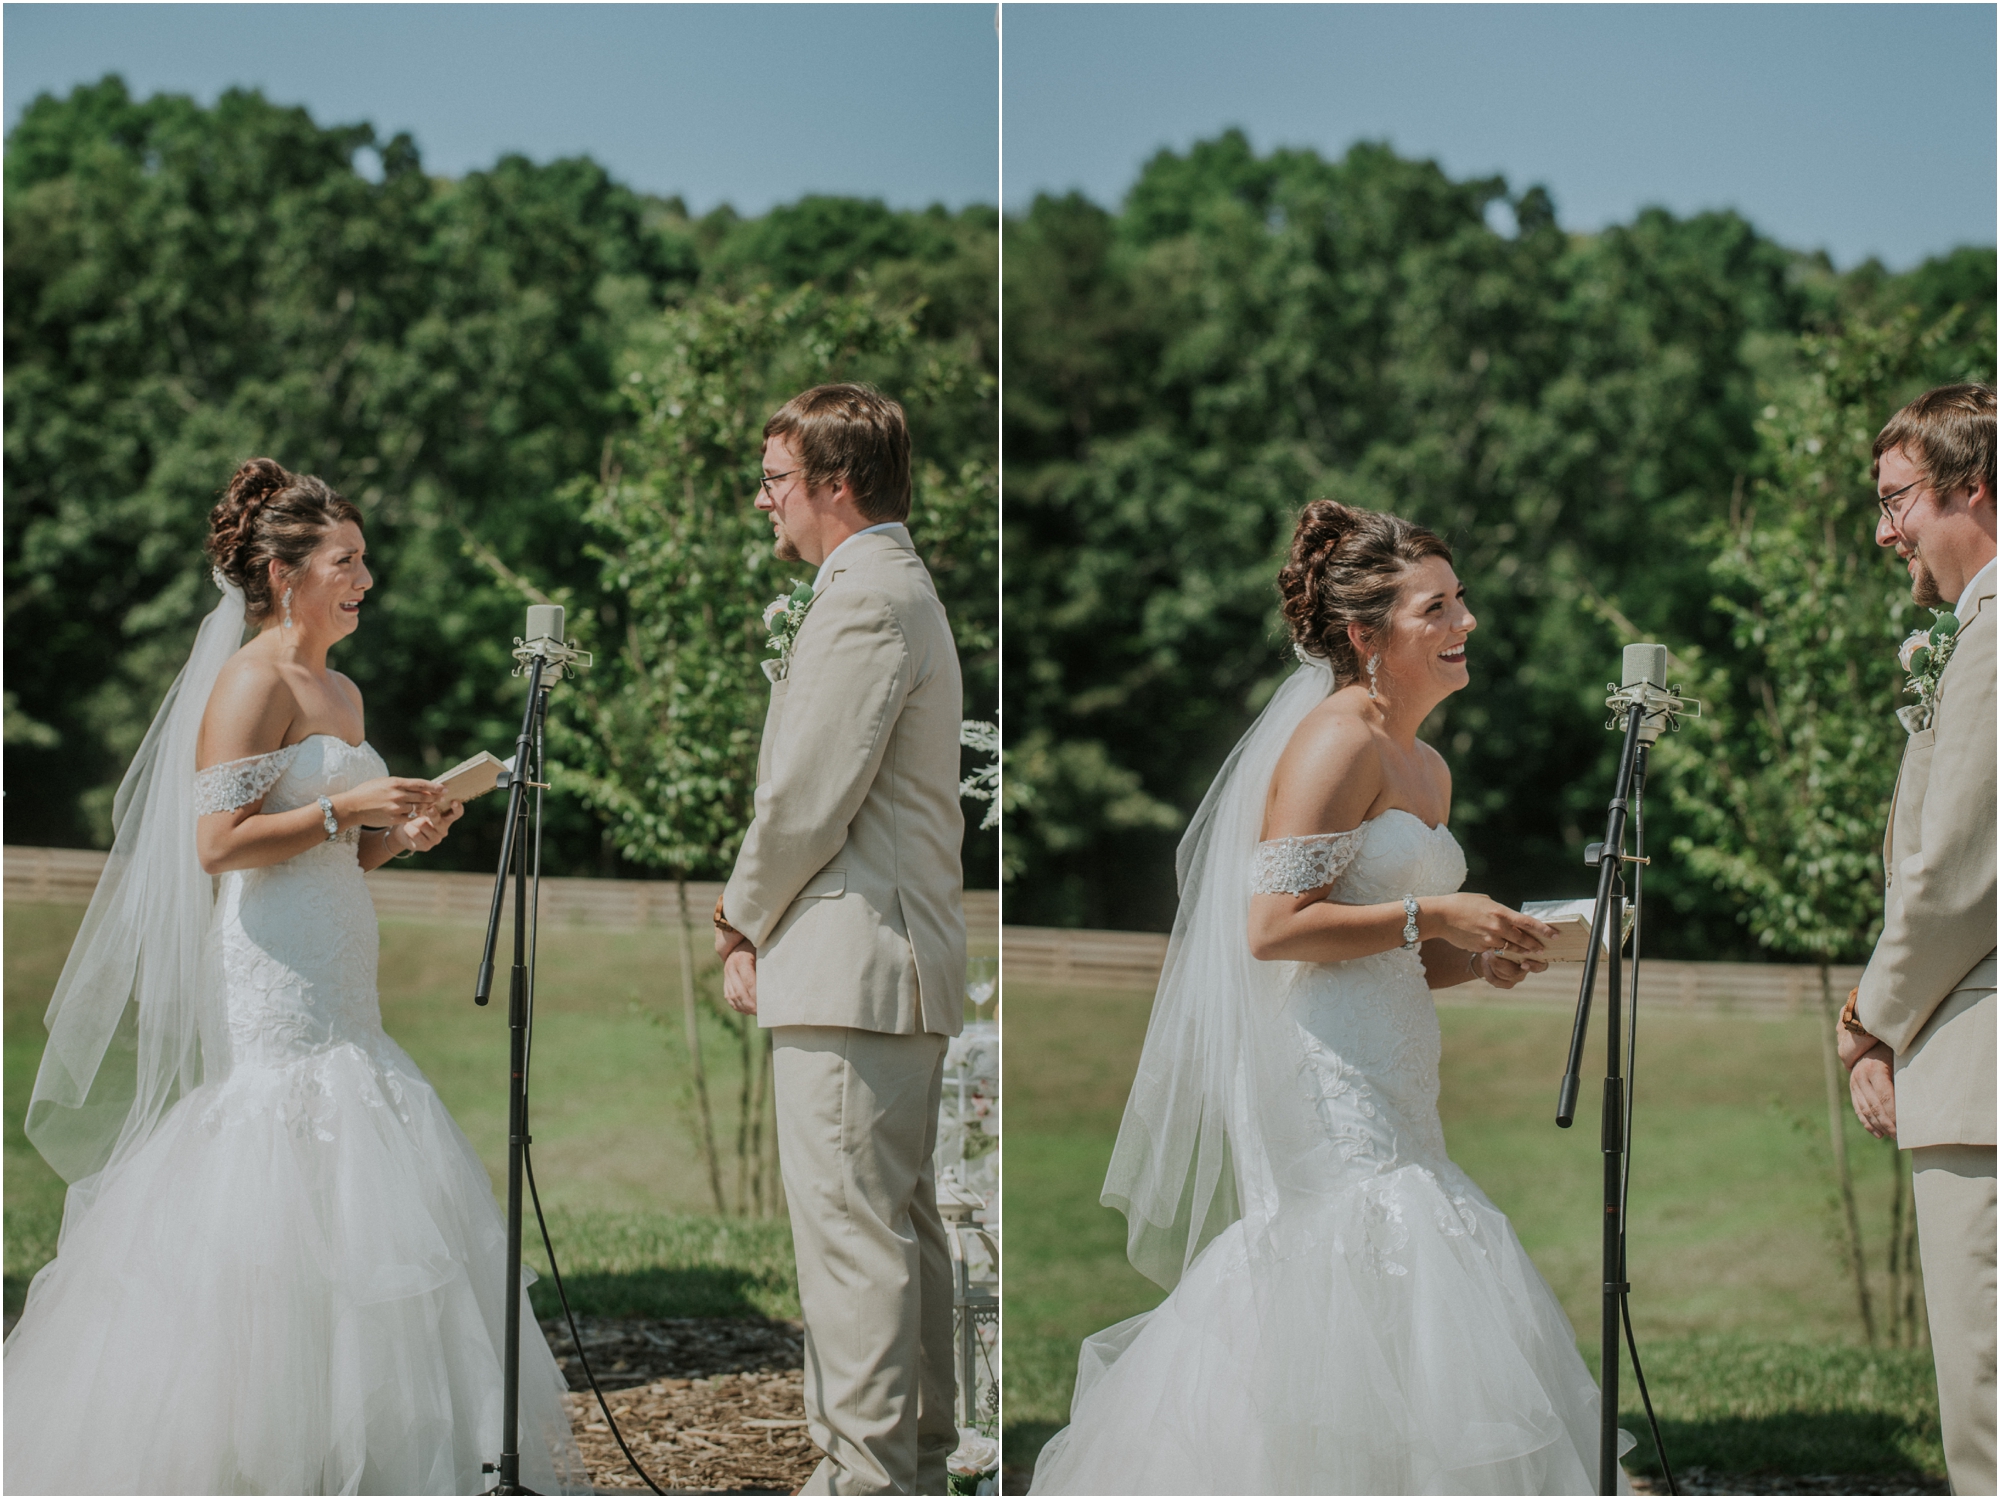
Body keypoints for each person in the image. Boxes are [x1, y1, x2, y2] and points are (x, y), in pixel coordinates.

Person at [4, 459, 585, 1495]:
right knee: (281, 1146)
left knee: (363, 1163)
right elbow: (217, 842)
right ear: (284, 572)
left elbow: (341, 851)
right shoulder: (253, 680)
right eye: (345, 560)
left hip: (339, 950)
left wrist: (403, 829)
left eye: (364, 558)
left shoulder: (344, 690)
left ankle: (349, 1450)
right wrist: (342, 810)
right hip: (271, 958)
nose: (366, 576)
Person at [1032, 501, 1631, 1496]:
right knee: (1359, 1250)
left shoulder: (1424, 765)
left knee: (1404, 1273)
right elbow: (1271, 927)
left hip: (1393, 1064)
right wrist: (1433, 911)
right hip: (1321, 1071)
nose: (1464, 622)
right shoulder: (1332, 742)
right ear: (1365, 635)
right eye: (1435, 607)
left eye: (1461, 600)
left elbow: (1397, 944)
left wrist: (1477, 954)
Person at [712, 384, 965, 1494]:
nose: (760, 500)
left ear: (834, 483)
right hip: (887, 970)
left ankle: (864, 1478)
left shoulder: (862, 599)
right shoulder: (891, 585)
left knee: (852, 1242)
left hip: (851, 965)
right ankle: (907, 1461)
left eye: (774, 480)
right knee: (897, 1230)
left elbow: (807, 796)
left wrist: (735, 912)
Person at [1838, 383, 1996, 1497]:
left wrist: (1865, 1019)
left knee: (1984, 1412)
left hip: (1981, 1075)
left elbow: (1954, 878)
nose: (1883, 528)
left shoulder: (1991, 637)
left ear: (1969, 486)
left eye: (1895, 499)